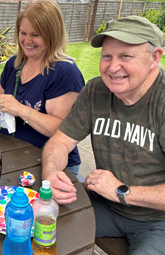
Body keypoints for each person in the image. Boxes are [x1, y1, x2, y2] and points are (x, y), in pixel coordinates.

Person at [42, 15, 165, 254]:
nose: (112, 67)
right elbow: (59, 142)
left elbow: (119, 190)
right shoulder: (96, 90)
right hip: (104, 205)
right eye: (106, 55)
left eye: (125, 56)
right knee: (35, 221)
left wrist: (120, 191)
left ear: (155, 58)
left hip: (157, 221)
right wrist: (51, 173)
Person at [0, 0, 85, 175]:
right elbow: (1, 98)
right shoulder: (14, 64)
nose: (27, 41)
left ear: (52, 35)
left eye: (35, 35)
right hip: (14, 157)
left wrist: (21, 110)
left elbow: (64, 129)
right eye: (23, 33)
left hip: (52, 168)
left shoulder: (64, 72)